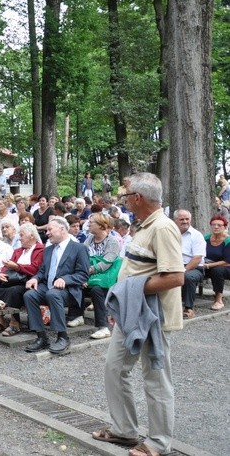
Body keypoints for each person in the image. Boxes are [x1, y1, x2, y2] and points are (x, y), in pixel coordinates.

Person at [92, 172, 185, 456]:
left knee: (155, 378)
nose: (123, 200)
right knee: (114, 368)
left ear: (138, 198)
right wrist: (122, 302)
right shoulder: (142, 226)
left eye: (125, 195)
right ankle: (124, 430)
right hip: (130, 313)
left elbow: (176, 277)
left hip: (152, 317)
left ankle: (158, 442)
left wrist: (128, 292)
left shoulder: (163, 228)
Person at [23, 217, 89, 354]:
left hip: (68, 290)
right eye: (46, 230)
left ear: (62, 229)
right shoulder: (48, 250)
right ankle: (41, 337)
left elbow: (83, 274)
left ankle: (62, 337)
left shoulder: (79, 248)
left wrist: (66, 279)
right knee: (29, 295)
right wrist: (35, 278)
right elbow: (42, 270)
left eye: (49, 229)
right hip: (48, 287)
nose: (46, 233)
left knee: (52, 294)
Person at [0, 223, 44, 336]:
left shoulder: (40, 250)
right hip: (13, 279)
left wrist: (17, 267)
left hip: (28, 281)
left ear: (32, 237)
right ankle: (0, 320)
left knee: (14, 291)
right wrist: (2, 273)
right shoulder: (18, 251)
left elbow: (35, 268)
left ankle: (15, 323)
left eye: (22, 235)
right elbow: (7, 265)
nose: (19, 238)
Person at [72, 213, 121, 339]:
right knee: (76, 283)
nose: (88, 224)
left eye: (92, 222)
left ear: (102, 226)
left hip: (105, 277)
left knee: (96, 290)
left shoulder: (112, 242)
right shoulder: (89, 239)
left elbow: (106, 264)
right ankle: (78, 316)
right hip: (90, 274)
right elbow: (82, 258)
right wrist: (83, 275)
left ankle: (103, 327)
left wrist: (87, 273)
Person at [173, 209, 205, 319]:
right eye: (181, 219)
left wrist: (183, 270)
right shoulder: (171, 234)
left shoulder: (196, 235)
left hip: (194, 267)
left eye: (187, 219)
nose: (185, 221)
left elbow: (197, 258)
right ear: (175, 220)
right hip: (174, 265)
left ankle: (188, 308)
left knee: (188, 277)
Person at [203, 214, 230, 311]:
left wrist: (209, 265)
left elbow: (227, 262)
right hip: (207, 265)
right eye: (213, 224)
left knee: (217, 270)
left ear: (225, 227)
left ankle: (219, 300)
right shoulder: (205, 238)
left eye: (219, 225)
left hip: (225, 268)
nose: (216, 227)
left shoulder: (228, 240)